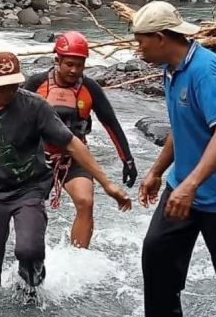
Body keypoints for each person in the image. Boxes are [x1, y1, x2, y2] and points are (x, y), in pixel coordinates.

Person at [123, 1, 216, 317]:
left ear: (161, 37)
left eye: (142, 41)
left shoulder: (205, 70)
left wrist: (191, 185)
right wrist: (156, 171)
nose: (138, 48)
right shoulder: (170, 69)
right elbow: (182, 130)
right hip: (183, 183)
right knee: (158, 250)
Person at [0, 52, 131, 292]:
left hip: (29, 188)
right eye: (3, 86)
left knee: (29, 251)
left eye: (14, 84)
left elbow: (72, 143)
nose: (10, 91)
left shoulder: (35, 106)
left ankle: (32, 289)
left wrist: (107, 184)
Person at [23, 31, 137, 248]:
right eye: (69, 64)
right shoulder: (36, 83)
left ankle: (78, 258)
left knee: (85, 201)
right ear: (57, 60)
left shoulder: (90, 88)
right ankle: (31, 252)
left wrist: (127, 159)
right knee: (31, 208)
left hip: (74, 158)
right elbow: (13, 120)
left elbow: (110, 123)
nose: (74, 70)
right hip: (38, 158)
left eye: (80, 65)